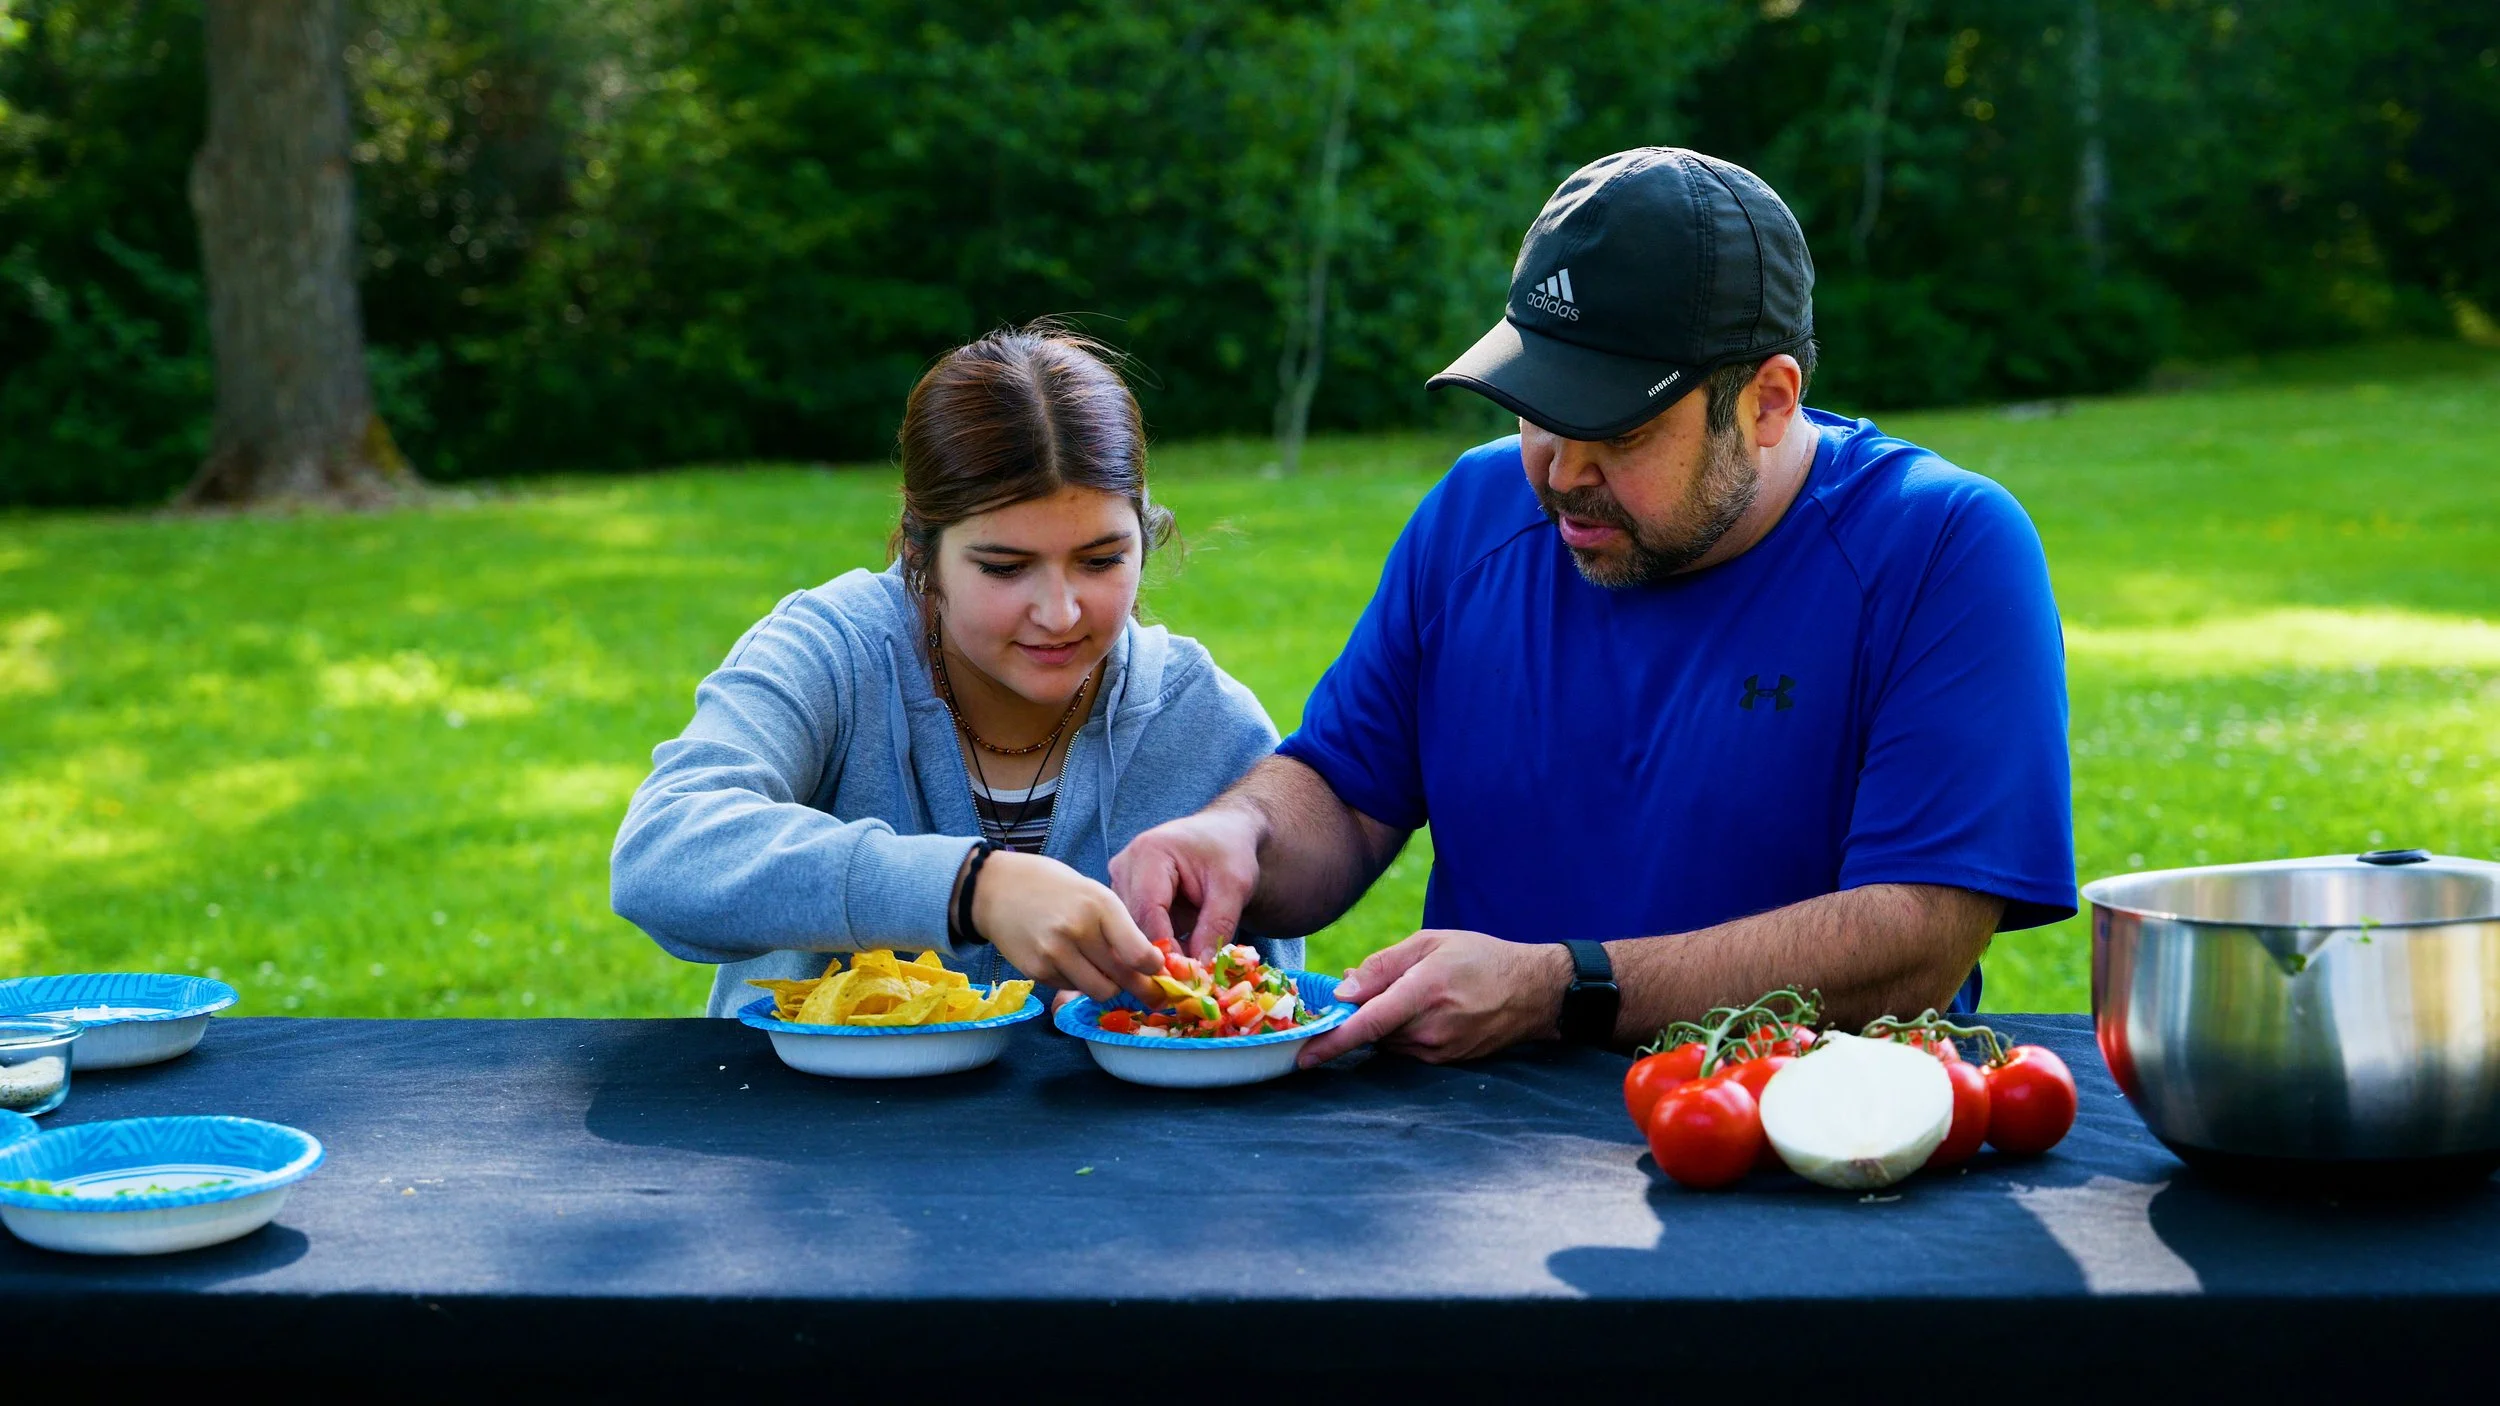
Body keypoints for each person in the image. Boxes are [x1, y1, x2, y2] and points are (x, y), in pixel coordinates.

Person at [1112, 148, 2074, 1066]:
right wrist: (1240, 836)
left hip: (1795, 1146)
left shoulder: (1941, 544)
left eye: (1618, 429)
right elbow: (1347, 793)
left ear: (1769, 401)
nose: (1562, 474)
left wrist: (1562, 991)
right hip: (1475, 1155)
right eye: (1537, 408)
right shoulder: (1474, 510)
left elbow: (1919, 938)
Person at [613, 326, 1296, 1015]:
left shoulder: (1213, 725)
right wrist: (974, 890)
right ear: (921, 550)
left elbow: (1263, 1003)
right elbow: (661, 854)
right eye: (1004, 567)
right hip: (806, 1120)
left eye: (1101, 561)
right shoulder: (831, 650)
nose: (1059, 613)